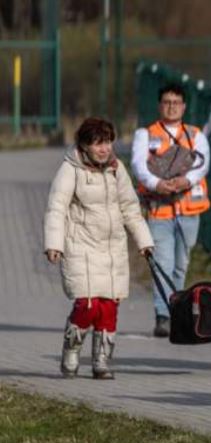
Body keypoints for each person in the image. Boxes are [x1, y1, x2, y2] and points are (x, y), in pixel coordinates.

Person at [44, 117, 154, 379]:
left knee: (109, 306)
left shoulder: (117, 169)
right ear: (84, 146)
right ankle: (72, 348)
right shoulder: (71, 169)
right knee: (88, 305)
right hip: (80, 245)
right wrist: (53, 244)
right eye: (97, 143)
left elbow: (129, 207)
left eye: (107, 142)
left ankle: (101, 361)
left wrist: (144, 240)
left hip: (112, 247)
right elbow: (56, 208)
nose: (104, 149)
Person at [131, 83, 211, 337]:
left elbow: (203, 164)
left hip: (189, 211)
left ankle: (177, 309)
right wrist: (158, 184)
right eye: (167, 101)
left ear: (184, 106)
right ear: (159, 105)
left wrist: (185, 181)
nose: (171, 106)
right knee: (162, 263)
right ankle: (163, 315)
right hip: (159, 211)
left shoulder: (196, 135)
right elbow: (138, 165)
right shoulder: (145, 134)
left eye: (176, 102)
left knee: (181, 264)